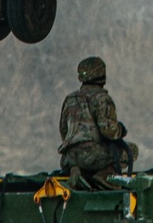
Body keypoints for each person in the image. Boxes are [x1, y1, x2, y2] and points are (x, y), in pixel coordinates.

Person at [58, 57, 138, 187]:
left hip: (68, 158)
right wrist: (121, 130)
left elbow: (63, 130)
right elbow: (108, 131)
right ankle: (104, 177)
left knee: (86, 160)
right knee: (132, 150)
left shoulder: (70, 98)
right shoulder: (102, 98)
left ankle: (77, 172)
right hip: (92, 156)